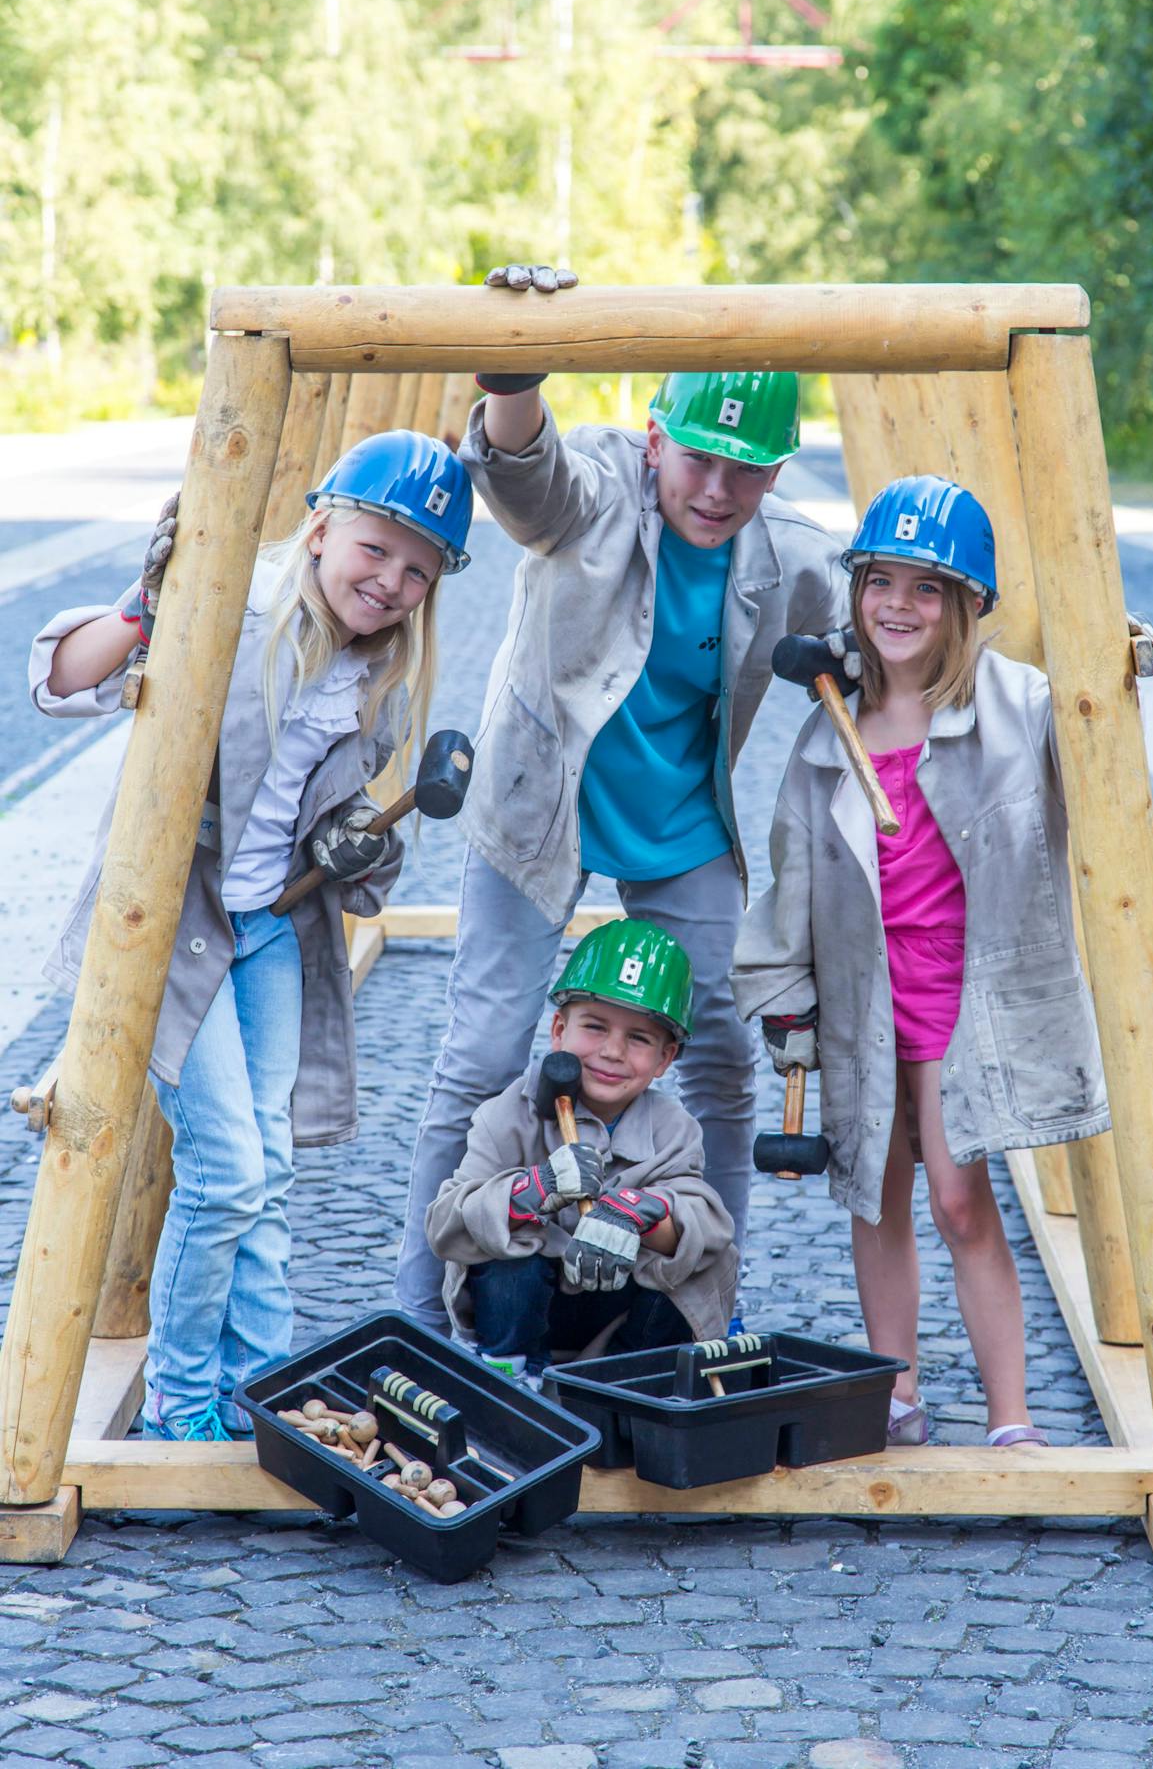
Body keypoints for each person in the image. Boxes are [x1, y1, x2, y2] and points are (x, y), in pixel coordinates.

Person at [395, 261, 848, 1330]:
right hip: (537, 808)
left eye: (749, 470)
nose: (717, 490)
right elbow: (525, 476)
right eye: (698, 457)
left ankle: (706, 1310)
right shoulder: (596, 488)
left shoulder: (790, 555)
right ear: (655, 437)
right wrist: (514, 369)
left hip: (679, 822)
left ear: (779, 474)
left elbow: (891, 614)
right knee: (482, 1056)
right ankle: (415, 1313)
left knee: (731, 1059)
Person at [29, 430, 473, 1442]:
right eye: (376, 549)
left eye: (420, 570)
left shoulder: (377, 674)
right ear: (320, 527)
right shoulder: (231, 611)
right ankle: (186, 1411)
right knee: (228, 1168)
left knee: (266, 1172)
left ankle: (258, 1395)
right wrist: (151, 605)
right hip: (178, 925)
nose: (394, 581)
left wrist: (360, 846)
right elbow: (59, 679)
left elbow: (338, 833)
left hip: (273, 924)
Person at [731, 473, 1111, 1448]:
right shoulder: (829, 733)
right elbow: (792, 880)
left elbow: (1087, 699)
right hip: (866, 994)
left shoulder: (1010, 707)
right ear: (855, 591)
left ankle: (1012, 1414)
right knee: (876, 1189)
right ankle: (895, 1390)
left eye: (926, 588)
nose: (898, 606)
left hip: (959, 996)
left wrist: (1123, 660)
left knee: (956, 1195)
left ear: (968, 605)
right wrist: (787, 1003)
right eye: (880, 583)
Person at [425, 919, 737, 1378]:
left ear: (665, 1058)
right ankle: (515, 1376)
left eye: (639, 1038)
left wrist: (641, 1211)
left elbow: (707, 1225)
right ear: (558, 1029)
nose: (612, 1051)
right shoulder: (508, 1113)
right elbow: (444, 1224)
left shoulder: (674, 1128)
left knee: (703, 1257)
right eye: (594, 1027)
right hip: (528, 1316)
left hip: (615, 1318)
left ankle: (634, 1378)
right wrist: (534, 1189)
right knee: (507, 1259)